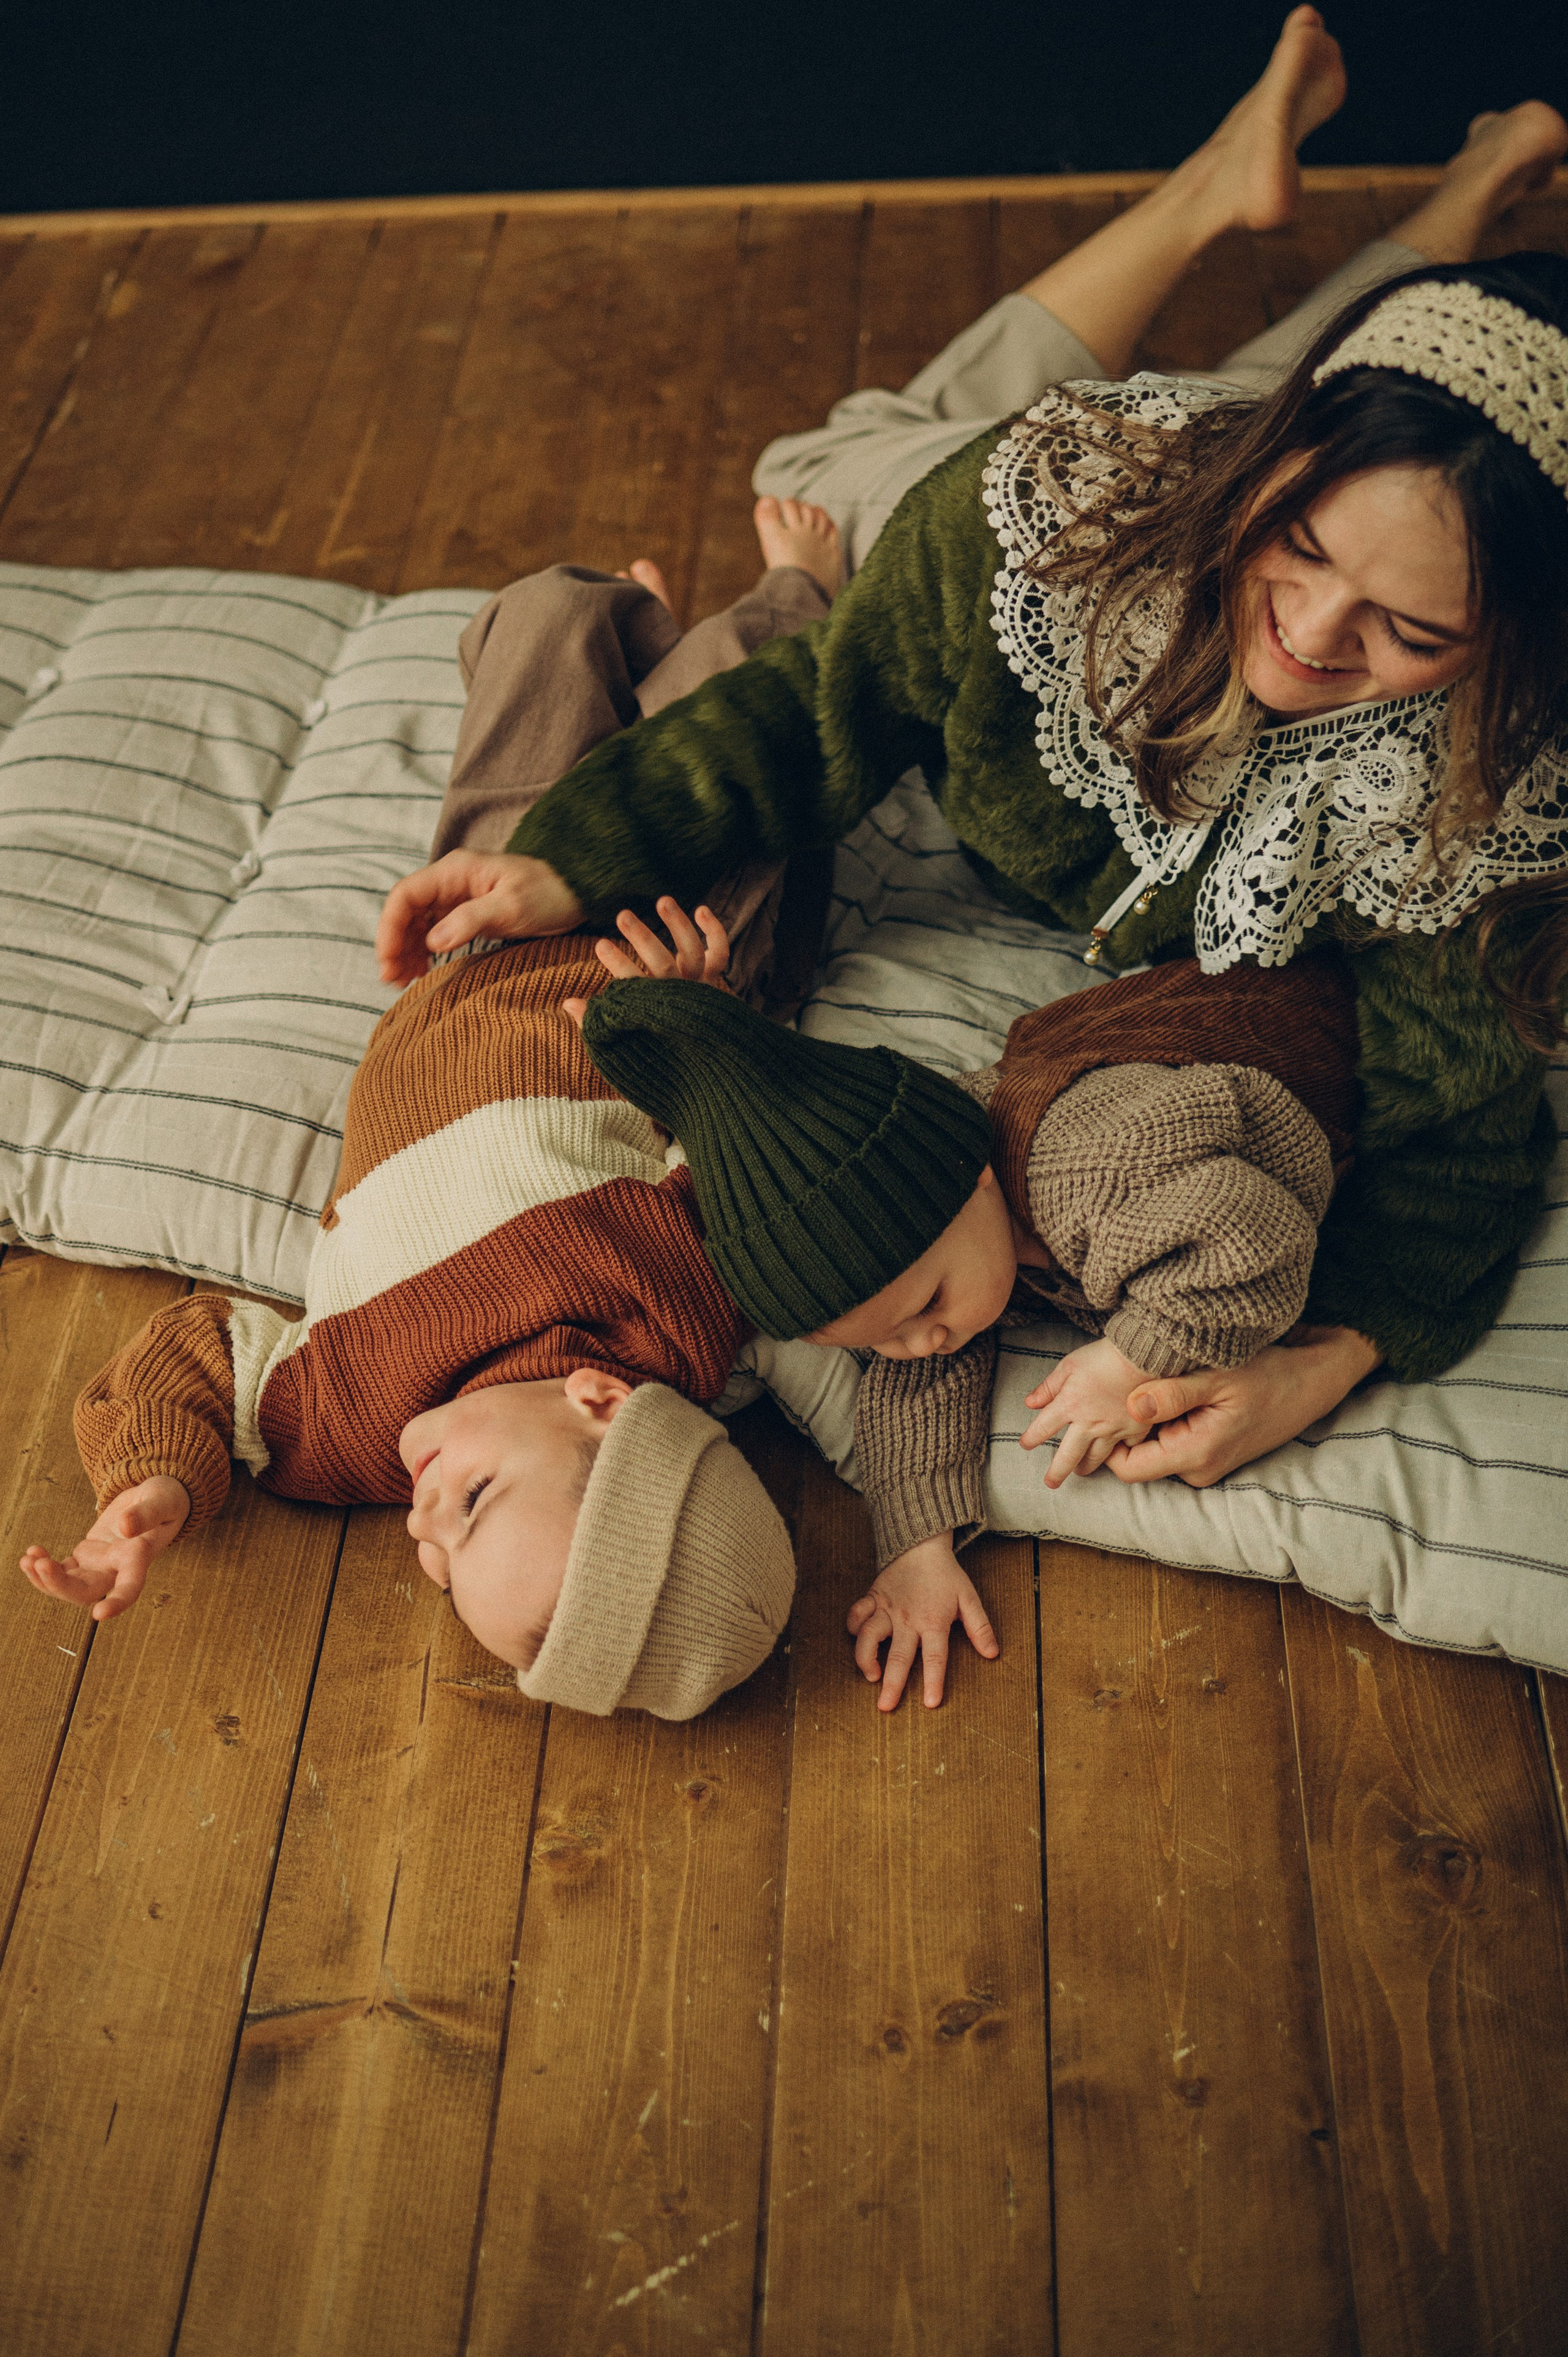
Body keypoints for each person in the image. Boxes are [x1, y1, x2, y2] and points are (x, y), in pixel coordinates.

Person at [372, 9, 1568, 1497]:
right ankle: (1243, 192)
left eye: (1405, 631)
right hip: (1078, 465)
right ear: (1266, 477)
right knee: (821, 464)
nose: (1313, 637)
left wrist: (1319, 1355)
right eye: (1300, 544)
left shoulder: (1483, 807)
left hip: (1241, 446)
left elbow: (1459, 1117)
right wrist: (576, 852)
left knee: (1318, 433)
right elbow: (824, 704)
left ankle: (1445, 194)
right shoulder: (1040, 526)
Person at [572, 900, 1360, 1710]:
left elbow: (1256, 1234)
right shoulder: (942, 1256)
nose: (925, 1343)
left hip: (1328, 1040)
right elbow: (918, 1376)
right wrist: (916, 1546)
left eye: (929, 1304)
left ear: (977, 1181)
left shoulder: (1088, 1173)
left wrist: (1135, 1358)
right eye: (883, 1340)